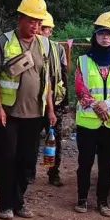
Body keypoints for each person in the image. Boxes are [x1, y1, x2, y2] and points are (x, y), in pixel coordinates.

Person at [0, 0, 56, 220]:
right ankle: (5, 204)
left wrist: (50, 109)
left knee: (27, 160)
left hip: (35, 114)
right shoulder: (3, 42)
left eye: (39, 22)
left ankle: (19, 201)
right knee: (6, 158)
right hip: (9, 113)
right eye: (31, 20)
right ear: (20, 18)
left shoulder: (45, 45)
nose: (35, 26)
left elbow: (47, 79)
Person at [73, 11, 110, 216]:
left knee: (106, 165)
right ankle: (82, 200)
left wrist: (108, 103)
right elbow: (80, 88)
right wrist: (97, 105)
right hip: (88, 122)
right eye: (101, 33)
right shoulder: (83, 61)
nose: (105, 37)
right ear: (95, 35)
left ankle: (103, 202)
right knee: (85, 163)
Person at [40, 12, 69, 188]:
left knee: (54, 139)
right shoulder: (29, 48)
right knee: (29, 140)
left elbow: (63, 76)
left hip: (54, 102)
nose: (42, 31)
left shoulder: (58, 50)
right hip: (33, 102)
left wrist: (64, 102)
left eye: (45, 28)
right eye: (40, 28)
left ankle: (54, 173)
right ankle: (28, 172)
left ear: (50, 31)